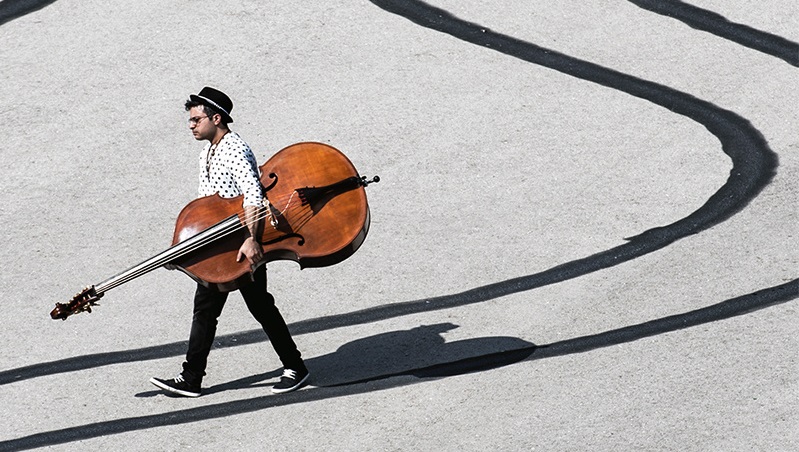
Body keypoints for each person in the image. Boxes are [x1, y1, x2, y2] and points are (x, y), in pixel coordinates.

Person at [150, 87, 309, 397]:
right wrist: (185, 252)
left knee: (260, 306)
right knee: (208, 309)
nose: (191, 125)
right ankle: (192, 378)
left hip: (241, 242)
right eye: (191, 120)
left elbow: (254, 194)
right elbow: (205, 208)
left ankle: (295, 367)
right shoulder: (206, 152)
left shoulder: (235, 148)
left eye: (196, 119)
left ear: (216, 118)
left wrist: (252, 240)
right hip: (219, 245)